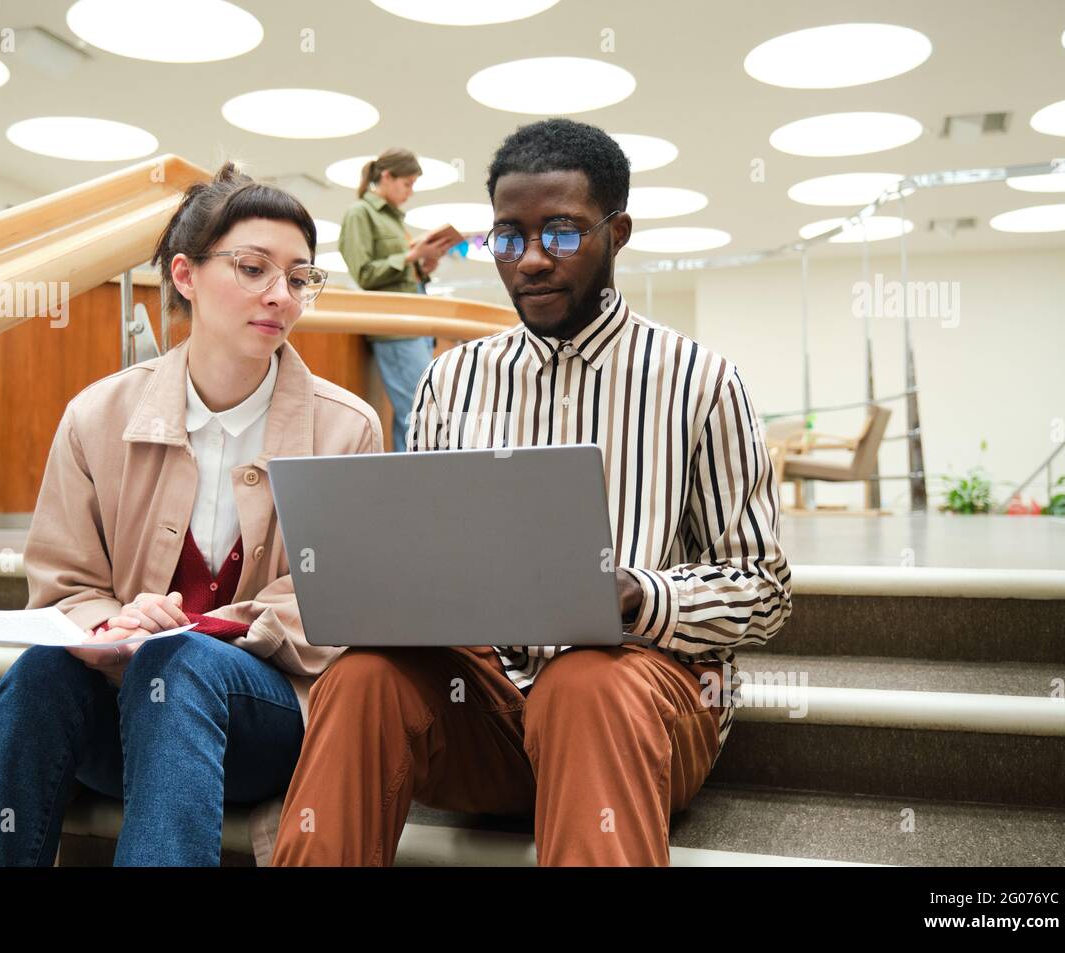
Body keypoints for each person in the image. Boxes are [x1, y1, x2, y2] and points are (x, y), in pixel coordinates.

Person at [270, 119, 792, 867]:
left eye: (563, 233)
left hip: (634, 709)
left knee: (584, 682)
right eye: (508, 239)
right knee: (362, 678)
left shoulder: (701, 380)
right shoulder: (453, 379)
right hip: (483, 710)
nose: (532, 261)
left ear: (618, 233)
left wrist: (637, 595)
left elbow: (764, 592)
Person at [0, 163, 383, 867]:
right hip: (120, 713)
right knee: (37, 677)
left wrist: (192, 630)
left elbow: (335, 607)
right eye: (252, 268)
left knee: (180, 664)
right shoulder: (96, 415)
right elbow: (64, 590)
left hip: (263, 725)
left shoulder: (347, 428)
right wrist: (110, 628)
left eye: (299, 278)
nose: (281, 296)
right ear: (184, 275)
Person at [338, 148, 449, 451]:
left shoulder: (394, 219)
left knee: (412, 413)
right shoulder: (360, 213)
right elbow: (364, 274)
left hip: (415, 323)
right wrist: (410, 256)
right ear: (386, 176)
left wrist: (422, 266)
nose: (410, 192)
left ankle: (410, 481)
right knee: (419, 413)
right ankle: (414, 486)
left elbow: (397, 273)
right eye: (407, 183)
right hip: (396, 327)